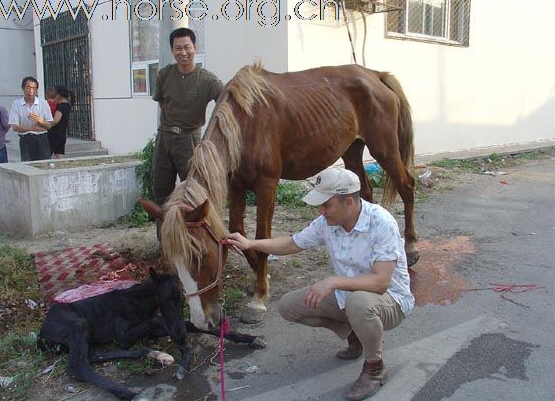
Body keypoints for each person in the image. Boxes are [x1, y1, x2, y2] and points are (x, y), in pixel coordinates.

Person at [226, 167, 414, 400]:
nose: (321, 211)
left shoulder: (381, 222)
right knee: (289, 306)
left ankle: (374, 367)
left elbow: (381, 282)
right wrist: (250, 244)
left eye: (326, 205)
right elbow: (292, 244)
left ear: (348, 202)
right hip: (350, 295)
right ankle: (355, 334)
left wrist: (333, 281)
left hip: (391, 300)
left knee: (357, 303)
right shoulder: (328, 221)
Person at [152, 27, 224, 208]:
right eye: (178, 48)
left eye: (187, 47)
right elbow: (162, 103)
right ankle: (165, 235)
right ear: (172, 51)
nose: (183, 52)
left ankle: (194, 235)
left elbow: (225, 102)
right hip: (164, 138)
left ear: (195, 48)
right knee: (161, 191)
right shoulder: (164, 74)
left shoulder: (208, 80)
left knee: (194, 192)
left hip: (190, 139)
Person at [8, 77, 52, 161]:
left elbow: (49, 125)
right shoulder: (16, 104)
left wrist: (40, 120)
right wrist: (32, 129)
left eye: (34, 88)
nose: (31, 90)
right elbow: (15, 127)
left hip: (41, 139)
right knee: (28, 166)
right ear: (23, 88)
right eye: (28, 87)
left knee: (44, 165)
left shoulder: (43, 103)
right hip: (25, 140)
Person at [34, 85, 75, 158]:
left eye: (55, 94)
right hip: (62, 133)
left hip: (54, 133)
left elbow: (55, 120)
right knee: (59, 153)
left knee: (46, 154)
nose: (54, 97)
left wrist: (44, 124)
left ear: (59, 95)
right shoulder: (67, 105)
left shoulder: (61, 106)